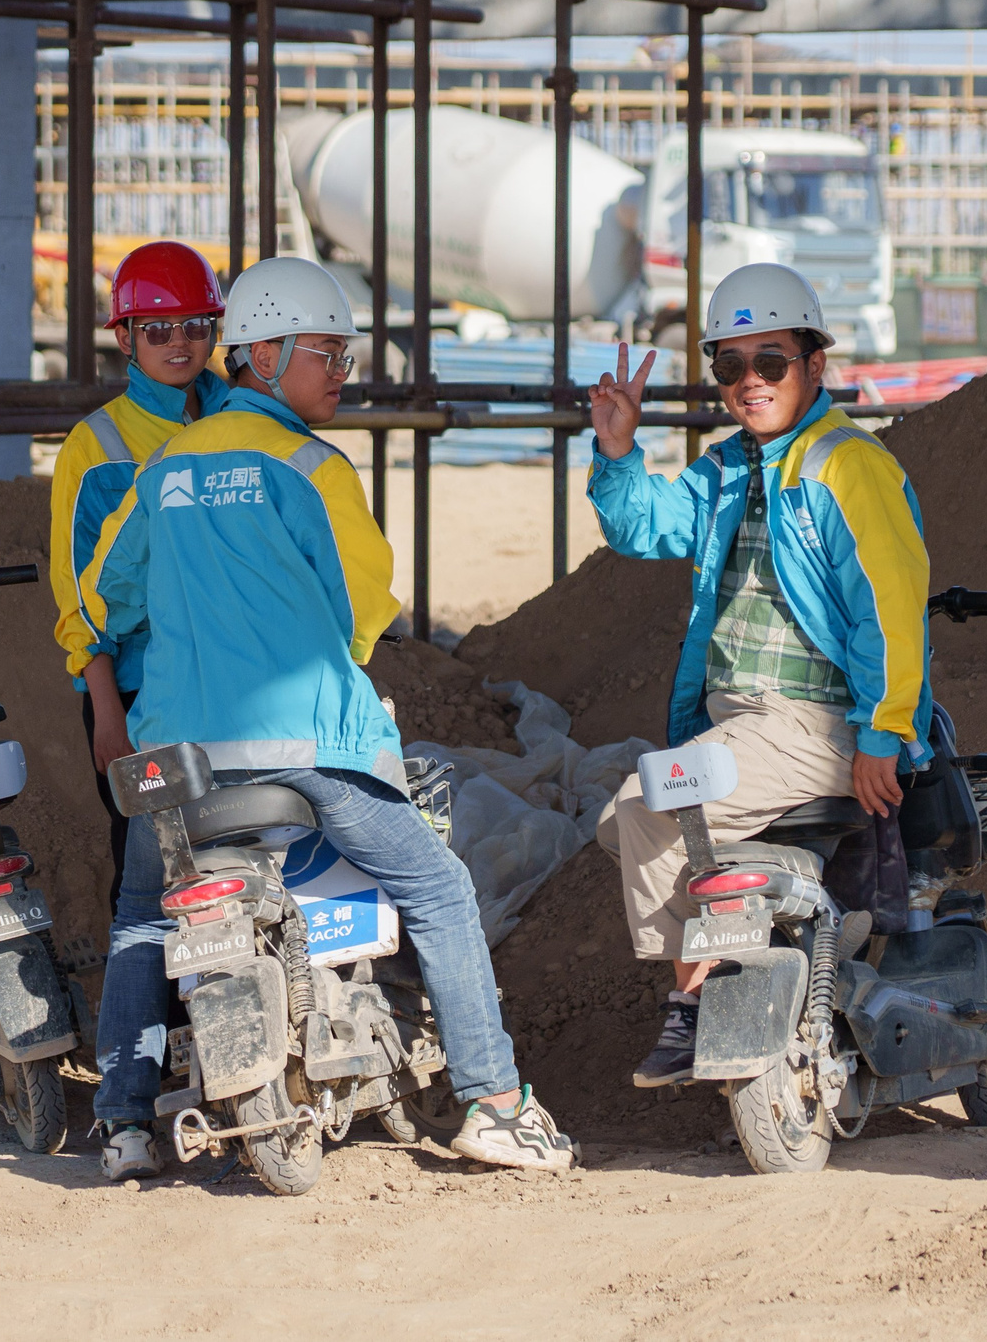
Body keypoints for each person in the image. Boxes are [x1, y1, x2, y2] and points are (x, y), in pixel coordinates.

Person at [79, 256, 574, 1181]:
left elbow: (106, 596)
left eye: (346, 354)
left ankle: (124, 1124)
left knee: (142, 916)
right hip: (303, 746)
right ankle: (496, 1103)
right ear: (263, 355)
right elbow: (364, 604)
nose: (342, 371)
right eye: (327, 353)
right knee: (438, 888)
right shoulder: (312, 466)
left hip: (177, 762)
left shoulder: (161, 469)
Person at [585, 262, 932, 1089]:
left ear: (815, 362)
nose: (750, 381)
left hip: (817, 723)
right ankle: (759, 962)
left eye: (771, 361)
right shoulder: (728, 469)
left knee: (646, 809)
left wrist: (883, 730)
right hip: (743, 728)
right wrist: (618, 449)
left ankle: (693, 1004)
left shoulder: (847, 465)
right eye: (731, 364)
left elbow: (890, 607)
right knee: (619, 824)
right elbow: (642, 527)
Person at [48, 241, 231, 907]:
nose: (179, 342)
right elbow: (79, 592)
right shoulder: (96, 447)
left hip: (232, 679)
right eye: (157, 329)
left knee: (235, 853)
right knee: (153, 870)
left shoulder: (241, 423)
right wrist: (106, 712)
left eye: (195, 325)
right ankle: (144, 975)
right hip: (138, 693)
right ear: (125, 338)